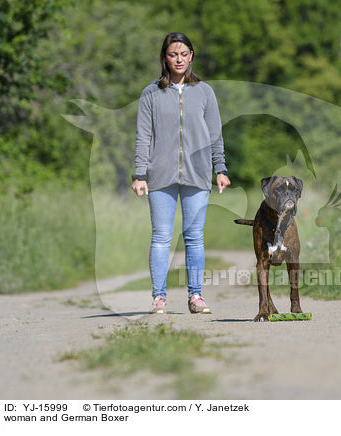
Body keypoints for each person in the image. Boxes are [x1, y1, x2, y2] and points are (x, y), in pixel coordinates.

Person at [131, 32, 231, 314]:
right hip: (159, 175)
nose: (179, 59)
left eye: (184, 54)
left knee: (194, 237)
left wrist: (220, 168)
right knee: (161, 237)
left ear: (191, 57)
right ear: (165, 57)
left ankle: (195, 296)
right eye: (173, 54)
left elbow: (215, 135)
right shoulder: (151, 93)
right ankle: (159, 298)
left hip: (197, 174)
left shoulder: (205, 92)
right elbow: (143, 136)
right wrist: (139, 174)